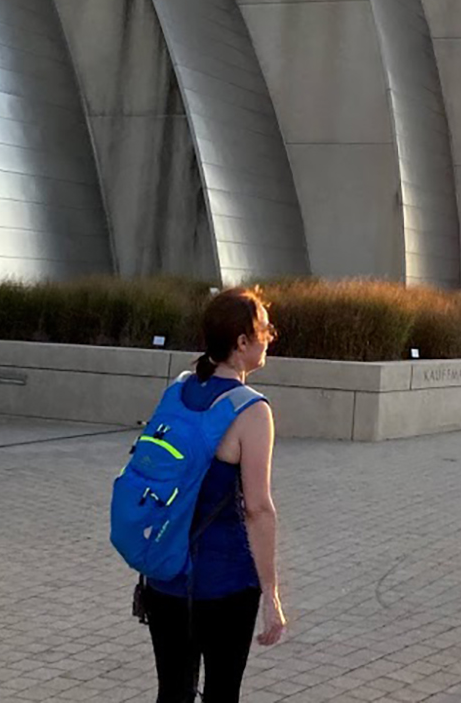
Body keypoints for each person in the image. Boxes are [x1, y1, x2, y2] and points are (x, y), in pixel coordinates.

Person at [140, 288, 287, 703]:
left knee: (172, 692)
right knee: (222, 693)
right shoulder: (251, 411)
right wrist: (272, 596)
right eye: (265, 330)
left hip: (165, 574)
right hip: (223, 584)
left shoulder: (179, 390)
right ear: (242, 342)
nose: (269, 338)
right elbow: (258, 509)